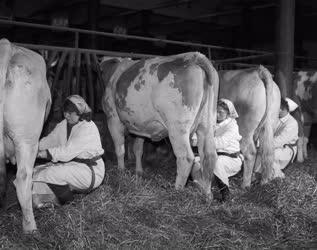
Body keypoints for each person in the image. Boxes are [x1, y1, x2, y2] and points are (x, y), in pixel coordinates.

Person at [32, 95, 105, 208]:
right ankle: (43, 201)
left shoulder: (88, 128)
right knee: (35, 172)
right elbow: (50, 140)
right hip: (74, 165)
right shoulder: (64, 124)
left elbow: (66, 152)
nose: (66, 115)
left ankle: (70, 205)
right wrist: (32, 148)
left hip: (90, 171)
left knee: (52, 173)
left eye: (70, 113)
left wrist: (41, 154)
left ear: (80, 112)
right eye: (65, 112)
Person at [191, 98, 243, 202]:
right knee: (194, 161)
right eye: (216, 112)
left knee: (216, 162)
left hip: (231, 158)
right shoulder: (212, 123)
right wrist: (196, 138)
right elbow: (195, 138)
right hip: (213, 154)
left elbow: (222, 142)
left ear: (228, 113)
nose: (218, 114)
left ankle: (226, 193)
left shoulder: (232, 126)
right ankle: (202, 187)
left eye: (221, 112)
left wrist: (201, 140)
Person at [271, 97, 299, 178]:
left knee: (270, 155)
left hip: (286, 150)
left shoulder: (292, 123)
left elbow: (280, 141)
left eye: (275, 108)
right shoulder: (275, 118)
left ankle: (278, 175)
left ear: (281, 109)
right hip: (274, 145)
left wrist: (263, 145)